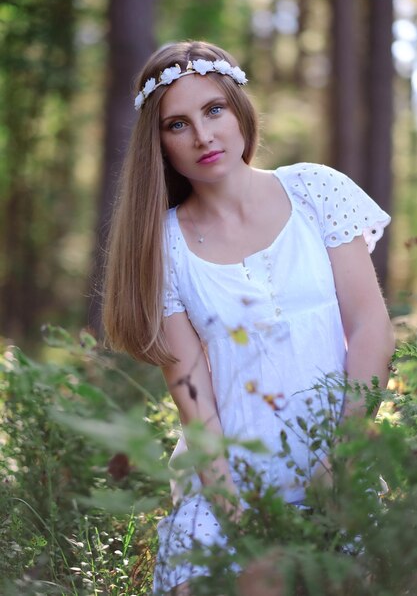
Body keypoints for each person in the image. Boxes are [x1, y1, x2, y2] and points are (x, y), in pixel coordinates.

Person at [103, 40, 395, 595]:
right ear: (159, 144)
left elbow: (370, 327)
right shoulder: (162, 247)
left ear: (239, 108)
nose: (203, 136)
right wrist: (244, 524)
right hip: (228, 490)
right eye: (178, 124)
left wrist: (346, 459)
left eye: (213, 110)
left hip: (340, 468)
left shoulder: (316, 192)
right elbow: (198, 408)